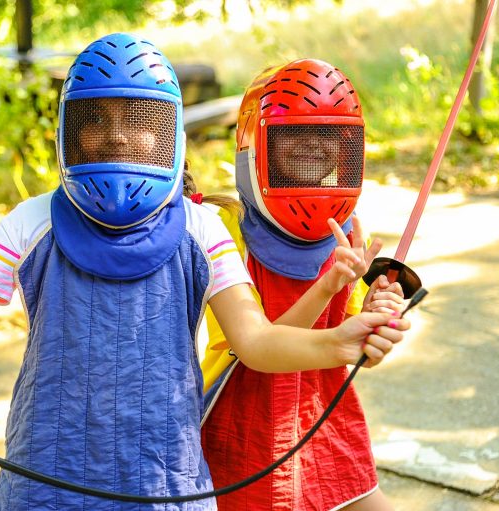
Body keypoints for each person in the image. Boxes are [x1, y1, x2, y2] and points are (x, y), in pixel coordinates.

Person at [0, 39, 409, 511]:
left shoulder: (203, 230)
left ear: (168, 131)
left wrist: (339, 341)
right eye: (97, 118)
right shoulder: (33, 221)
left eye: (137, 119)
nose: (117, 135)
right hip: (46, 483)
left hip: (166, 486)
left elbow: (256, 341)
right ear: (70, 129)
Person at [199, 59, 405, 511]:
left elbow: (357, 352)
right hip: (246, 428)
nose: (312, 144)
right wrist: (328, 285)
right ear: (255, 147)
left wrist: (377, 319)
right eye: (293, 133)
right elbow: (262, 348)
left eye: (326, 135)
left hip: (322, 417)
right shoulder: (225, 230)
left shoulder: (348, 231)